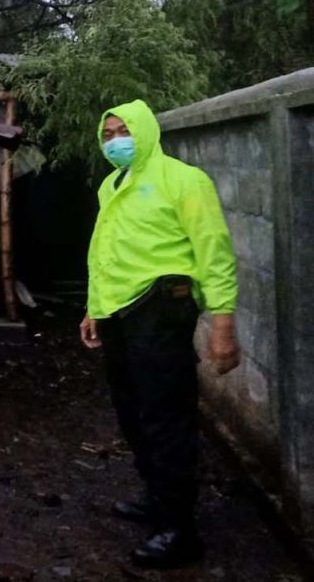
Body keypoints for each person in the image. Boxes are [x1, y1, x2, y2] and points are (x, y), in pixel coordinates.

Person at [79, 99, 240, 569]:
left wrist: (223, 320)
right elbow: (103, 252)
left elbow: (214, 249)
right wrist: (93, 308)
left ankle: (179, 529)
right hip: (118, 314)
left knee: (166, 416)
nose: (114, 140)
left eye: (122, 130)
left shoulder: (184, 181)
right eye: (106, 133)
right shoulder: (112, 185)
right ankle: (156, 498)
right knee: (132, 412)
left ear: (145, 130)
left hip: (160, 309)